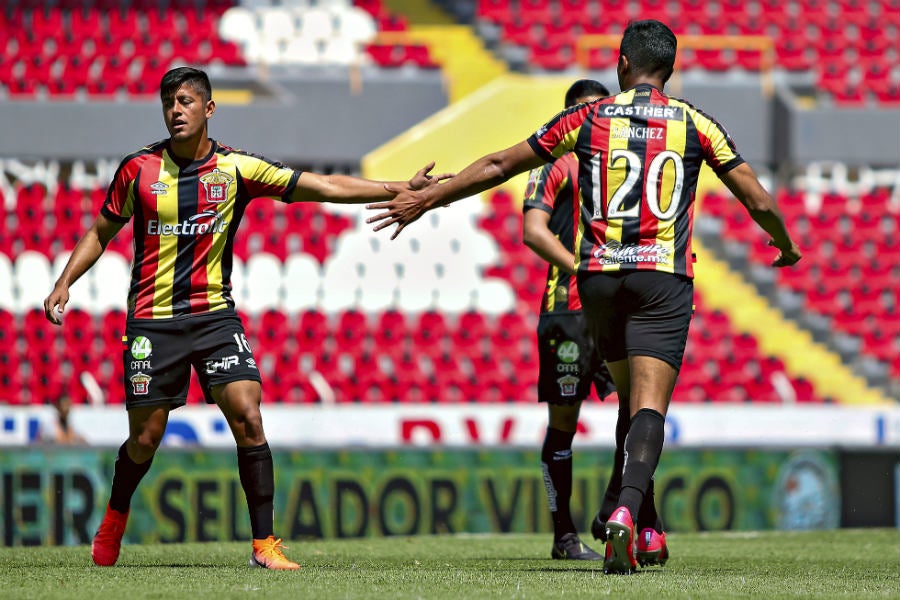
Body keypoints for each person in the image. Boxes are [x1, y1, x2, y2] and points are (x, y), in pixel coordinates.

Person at [367, 20, 802, 574]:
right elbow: (757, 200)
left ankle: (647, 529)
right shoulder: (695, 123)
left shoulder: (589, 117)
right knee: (648, 406)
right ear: (669, 69)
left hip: (595, 280)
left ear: (622, 65)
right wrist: (785, 245)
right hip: (661, 279)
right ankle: (624, 510)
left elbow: (501, 164)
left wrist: (431, 199)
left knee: (626, 399)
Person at [43, 66, 449, 570]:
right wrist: (64, 281)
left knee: (249, 416)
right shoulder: (138, 170)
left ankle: (264, 544)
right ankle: (114, 519)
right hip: (153, 322)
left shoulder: (235, 169)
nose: (176, 110)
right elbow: (101, 231)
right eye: (169, 102)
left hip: (214, 317)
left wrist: (395, 188)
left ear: (208, 109)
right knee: (145, 439)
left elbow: (320, 184)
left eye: (187, 101)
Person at [524, 78, 651, 562]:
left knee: (639, 408)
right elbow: (532, 231)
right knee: (564, 422)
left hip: (615, 304)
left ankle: (610, 510)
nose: (593, 117)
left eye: (599, 108)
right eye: (583, 110)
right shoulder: (555, 164)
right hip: (569, 312)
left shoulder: (621, 168)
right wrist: (580, 267)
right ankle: (563, 537)